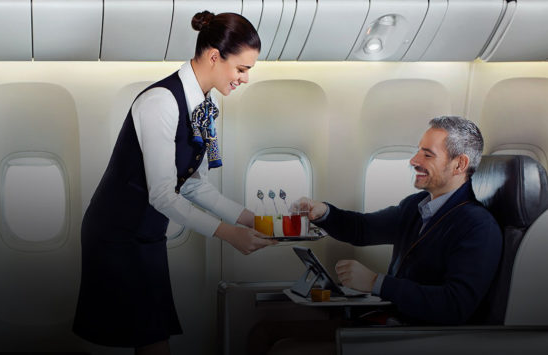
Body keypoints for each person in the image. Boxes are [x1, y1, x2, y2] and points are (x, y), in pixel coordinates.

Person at [73, 11, 275, 355]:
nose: (245, 79)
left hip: (147, 235)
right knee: (152, 337)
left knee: (154, 334)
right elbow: (164, 195)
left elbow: (196, 185)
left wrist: (253, 220)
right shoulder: (161, 102)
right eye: (242, 69)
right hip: (117, 233)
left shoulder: (206, 109)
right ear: (214, 56)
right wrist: (229, 234)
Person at [293, 116, 502, 325]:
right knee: (269, 333)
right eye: (418, 150)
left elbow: (454, 305)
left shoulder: (479, 226)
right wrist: (323, 212)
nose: (414, 161)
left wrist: (377, 283)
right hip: (392, 321)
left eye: (427, 155)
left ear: (460, 164)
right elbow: (363, 229)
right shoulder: (417, 206)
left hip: (416, 338)